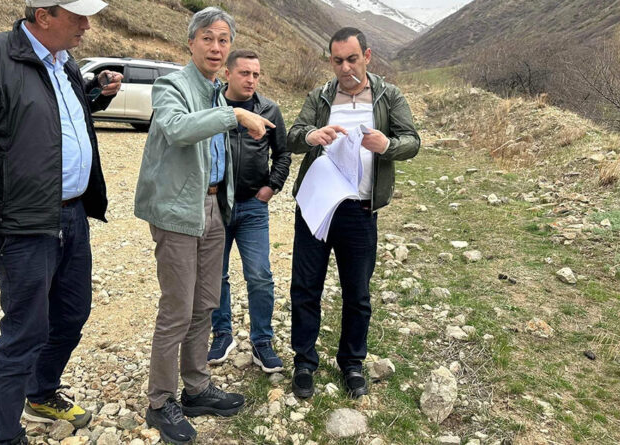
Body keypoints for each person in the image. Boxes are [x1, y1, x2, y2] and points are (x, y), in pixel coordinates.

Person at [0, 1, 123, 443]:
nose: (87, 24)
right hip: (22, 224)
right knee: (25, 332)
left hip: (72, 215)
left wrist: (95, 96)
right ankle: (4, 435)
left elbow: (48, 120)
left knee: (72, 315)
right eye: (77, 16)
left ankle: (40, 394)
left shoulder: (64, 62)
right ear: (43, 16)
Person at [133, 7, 275, 445]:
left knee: (205, 304)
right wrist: (235, 116)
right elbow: (177, 129)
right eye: (208, 38)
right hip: (178, 211)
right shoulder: (172, 85)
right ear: (191, 42)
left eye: (223, 40)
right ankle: (160, 401)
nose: (216, 47)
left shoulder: (215, 90)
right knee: (177, 308)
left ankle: (195, 388)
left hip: (215, 207)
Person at [287, 27, 420, 399]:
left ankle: (352, 364)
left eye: (352, 59)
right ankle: (304, 362)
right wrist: (311, 136)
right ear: (330, 61)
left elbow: (412, 142)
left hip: (360, 211)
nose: (345, 68)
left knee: (357, 294)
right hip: (316, 207)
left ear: (367, 56)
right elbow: (294, 136)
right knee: (305, 287)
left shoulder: (388, 95)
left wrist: (387, 145)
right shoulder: (320, 96)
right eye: (337, 61)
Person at [207, 50, 291, 373]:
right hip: (217, 205)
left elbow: (283, 154)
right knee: (216, 275)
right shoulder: (213, 108)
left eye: (256, 74)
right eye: (244, 73)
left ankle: (262, 341)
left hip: (253, 208)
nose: (251, 80)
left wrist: (272, 187)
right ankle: (222, 334)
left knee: (260, 275)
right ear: (227, 74)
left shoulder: (270, 110)